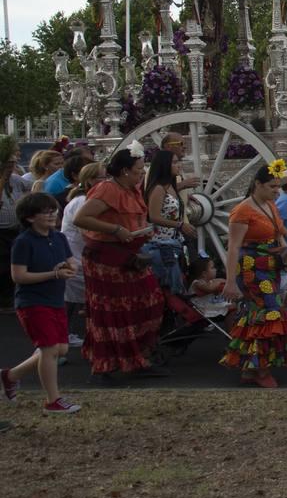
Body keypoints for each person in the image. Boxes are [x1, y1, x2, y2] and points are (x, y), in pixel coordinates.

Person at [74, 146, 166, 384]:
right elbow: (81, 218)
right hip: (106, 259)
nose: (142, 173)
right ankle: (107, 363)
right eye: (138, 170)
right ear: (124, 171)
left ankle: (137, 357)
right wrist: (116, 229)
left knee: (149, 301)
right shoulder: (108, 189)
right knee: (113, 311)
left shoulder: (131, 189)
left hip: (129, 254)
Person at [0, 192, 80, 414]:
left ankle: (10, 376)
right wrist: (52, 274)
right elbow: (19, 276)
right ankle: (53, 400)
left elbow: (71, 262)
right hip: (32, 302)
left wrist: (70, 268)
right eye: (45, 212)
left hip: (56, 300)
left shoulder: (59, 237)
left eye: (53, 210)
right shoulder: (23, 242)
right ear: (30, 217)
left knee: (60, 349)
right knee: (49, 349)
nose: (52, 215)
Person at [220, 161, 287, 388]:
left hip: (270, 266)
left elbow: (280, 232)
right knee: (270, 313)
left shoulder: (269, 205)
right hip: (251, 269)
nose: (276, 191)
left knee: (256, 315)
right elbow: (233, 247)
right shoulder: (242, 211)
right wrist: (230, 281)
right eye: (272, 187)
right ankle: (262, 370)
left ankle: (251, 368)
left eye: (277, 187)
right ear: (257, 184)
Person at [60, 162, 104, 348]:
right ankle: (63, 335)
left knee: (74, 301)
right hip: (75, 256)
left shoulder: (85, 200)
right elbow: (87, 233)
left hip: (77, 255)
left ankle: (65, 333)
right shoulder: (81, 202)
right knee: (70, 302)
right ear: (91, 181)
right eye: (102, 178)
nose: (106, 182)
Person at [143, 150, 193, 298]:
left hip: (174, 241)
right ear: (165, 165)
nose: (179, 165)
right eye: (174, 162)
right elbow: (153, 216)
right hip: (161, 244)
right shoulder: (158, 188)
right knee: (169, 287)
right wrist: (179, 225)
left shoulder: (170, 186)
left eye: (178, 161)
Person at [1, 135, 25, 311]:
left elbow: (36, 185)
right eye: (8, 165)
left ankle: (8, 299)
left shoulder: (15, 180)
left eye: (13, 164)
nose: (12, 168)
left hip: (14, 230)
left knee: (11, 264)